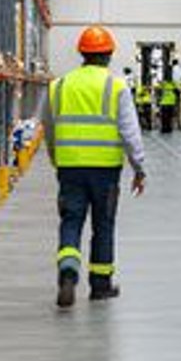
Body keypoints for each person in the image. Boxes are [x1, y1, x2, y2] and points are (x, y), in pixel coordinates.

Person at [37, 25, 146, 307]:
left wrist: (54, 156)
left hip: (70, 167)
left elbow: (48, 127)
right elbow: (129, 131)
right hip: (106, 170)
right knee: (103, 225)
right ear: (109, 55)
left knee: (71, 221)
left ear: (82, 54)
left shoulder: (59, 86)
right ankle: (100, 285)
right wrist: (139, 167)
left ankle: (68, 272)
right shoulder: (116, 86)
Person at [156, 71, 179, 137]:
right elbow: (177, 91)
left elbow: (158, 90)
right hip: (171, 102)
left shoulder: (164, 84)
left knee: (164, 117)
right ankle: (169, 129)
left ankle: (164, 129)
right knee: (169, 116)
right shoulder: (173, 84)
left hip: (164, 103)